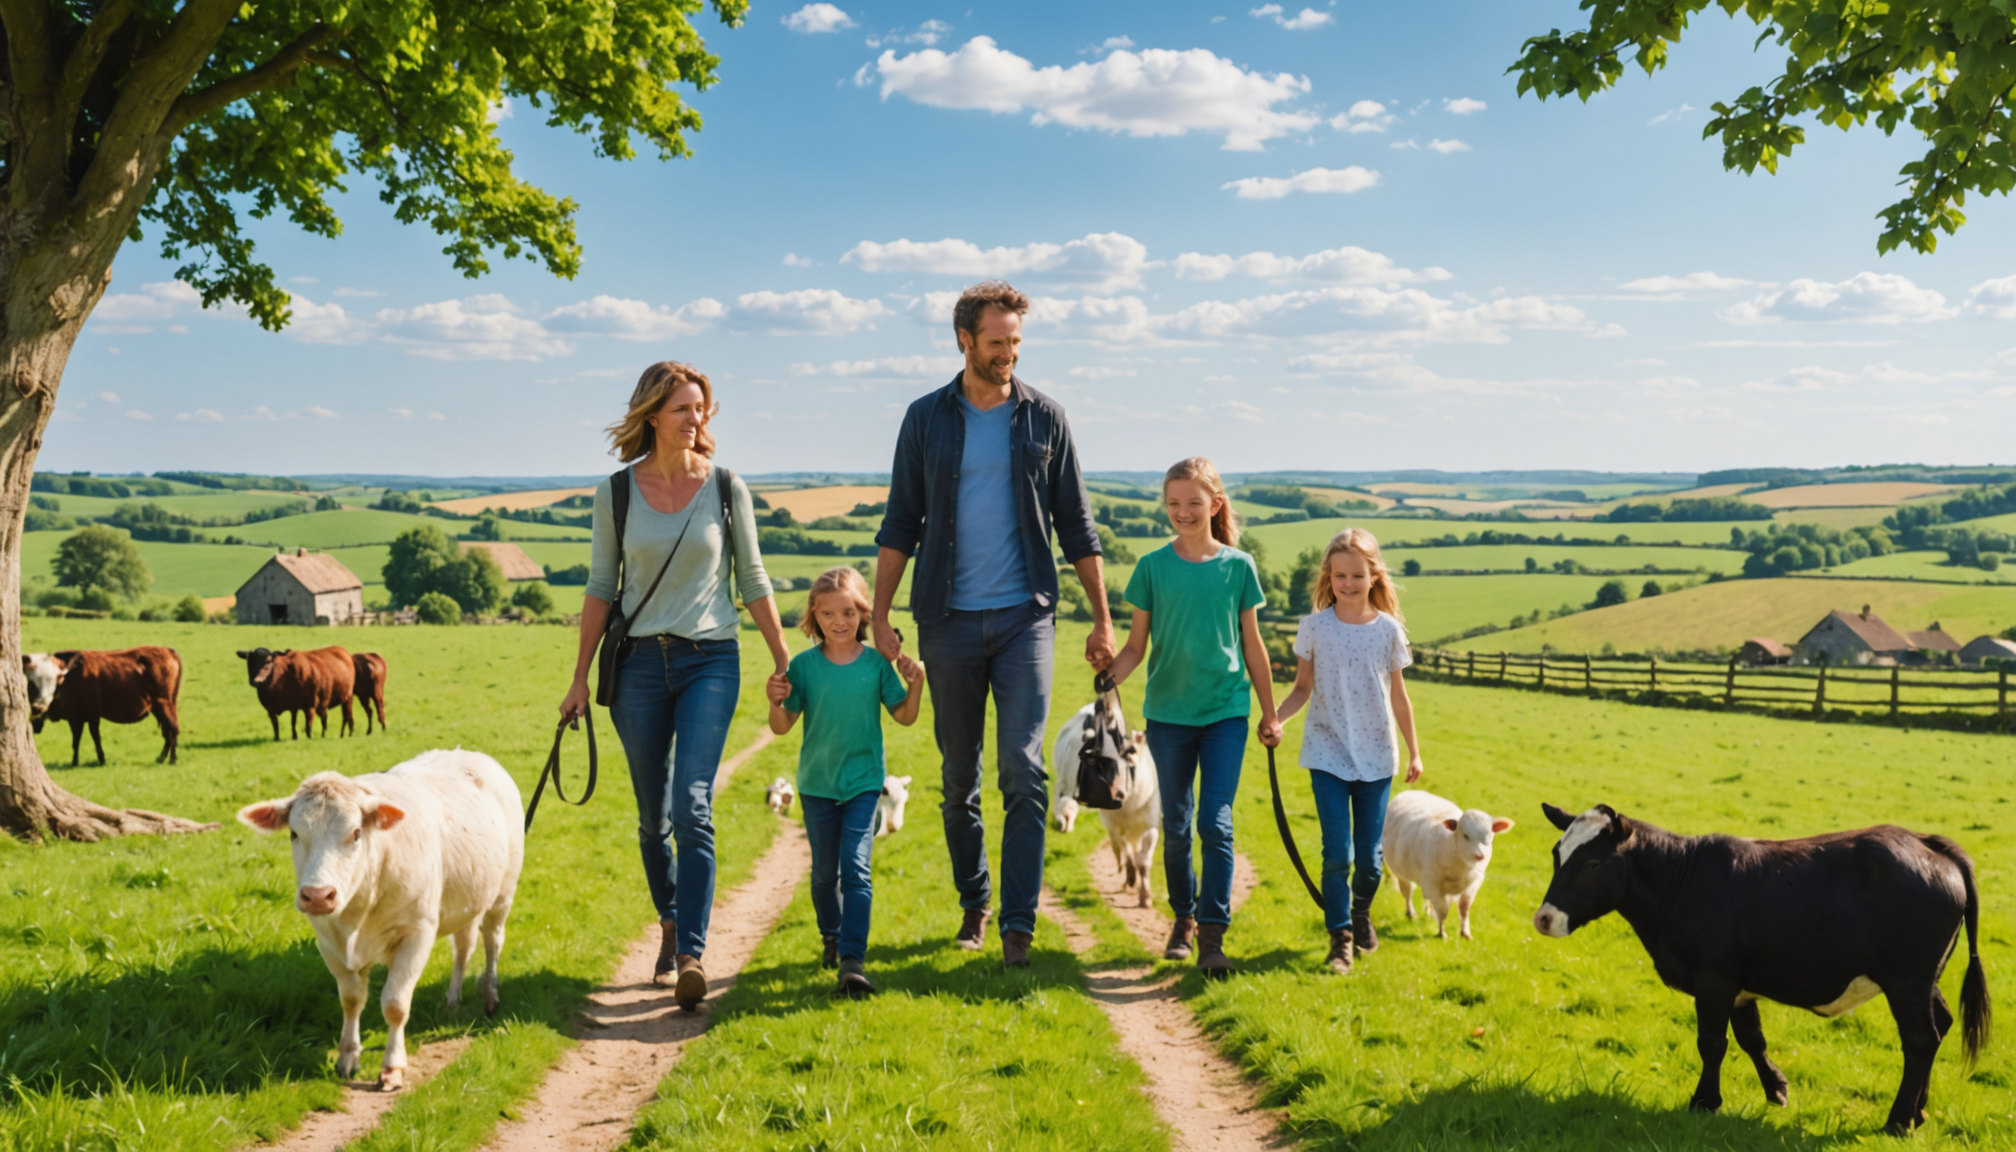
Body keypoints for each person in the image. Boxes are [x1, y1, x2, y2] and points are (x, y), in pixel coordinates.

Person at [872, 280, 1115, 969]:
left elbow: (1077, 524)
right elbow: (901, 521)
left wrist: (1101, 617)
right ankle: (975, 902)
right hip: (945, 619)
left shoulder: (1046, 418)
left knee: (1023, 768)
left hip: (1025, 617)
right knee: (958, 777)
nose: (1009, 353)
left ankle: (1018, 924)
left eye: (1016, 341)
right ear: (965, 341)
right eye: (997, 341)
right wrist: (883, 612)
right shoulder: (926, 419)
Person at [560, 361, 792, 1011]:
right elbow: (601, 586)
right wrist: (578, 679)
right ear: (653, 415)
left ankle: (691, 950)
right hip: (635, 666)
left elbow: (754, 578)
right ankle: (667, 919)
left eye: (703, 409)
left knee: (692, 803)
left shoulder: (725, 487)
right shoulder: (617, 494)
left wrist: (784, 658)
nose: (697, 420)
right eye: (684, 409)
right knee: (650, 818)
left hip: (709, 660)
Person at [1102, 457, 1277, 977]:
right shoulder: (1152, 567)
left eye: (1194, 504)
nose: (1183, 512)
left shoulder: (1238, 567)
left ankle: (1212, 935)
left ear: (1215, 505)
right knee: (1176, 826)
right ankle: (1183, 918)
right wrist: (1108, 676)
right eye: (1174, 504)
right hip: (1168, 716)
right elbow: (1135, 647)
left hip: (1226, 712)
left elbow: (1253, 645)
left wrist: (1270, 714)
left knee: (1215, 824)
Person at [1260, 527, 1422, 975]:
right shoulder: (1314, 628)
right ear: (1327, 578)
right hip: (1326, 753)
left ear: (1374, 576)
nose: (1347, 584)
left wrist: (1414, 752)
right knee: (1338, 854)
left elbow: (1400, 698)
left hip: (1376, 757)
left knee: (1370, 862)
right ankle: (1341, 941)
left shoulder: (1389, 631)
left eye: (1356, 575)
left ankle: (1361, 911)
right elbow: (1301, 689)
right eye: (1339, 576)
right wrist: (1276, 718)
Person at [765, 566, 925, 998]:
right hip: (817, 786)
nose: (840, 622)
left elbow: (904, 717)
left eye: (850, 613)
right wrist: (774, 701)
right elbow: (782, 726)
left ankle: (853, 962)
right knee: (822, 876)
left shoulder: (876, 665)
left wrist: (917, 684)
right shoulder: (803, 667)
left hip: (863, 784)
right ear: (814, 616)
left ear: (864, 613)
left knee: (855, 869)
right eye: (829, 613)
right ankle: (831, 935)